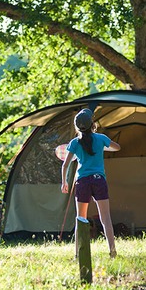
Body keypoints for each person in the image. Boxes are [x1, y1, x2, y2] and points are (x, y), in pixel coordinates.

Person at [61, 108, 121, 258]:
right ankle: (112, 251)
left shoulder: (74, 143)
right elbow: (117, 147)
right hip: (99, 180)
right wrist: (103, 147)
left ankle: (77, 254)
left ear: (77, 127)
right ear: (92, 124)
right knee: (105, 218)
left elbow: (65, 165)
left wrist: (64, 182)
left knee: (81, 219)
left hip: (82, 181)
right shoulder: (100, 138)